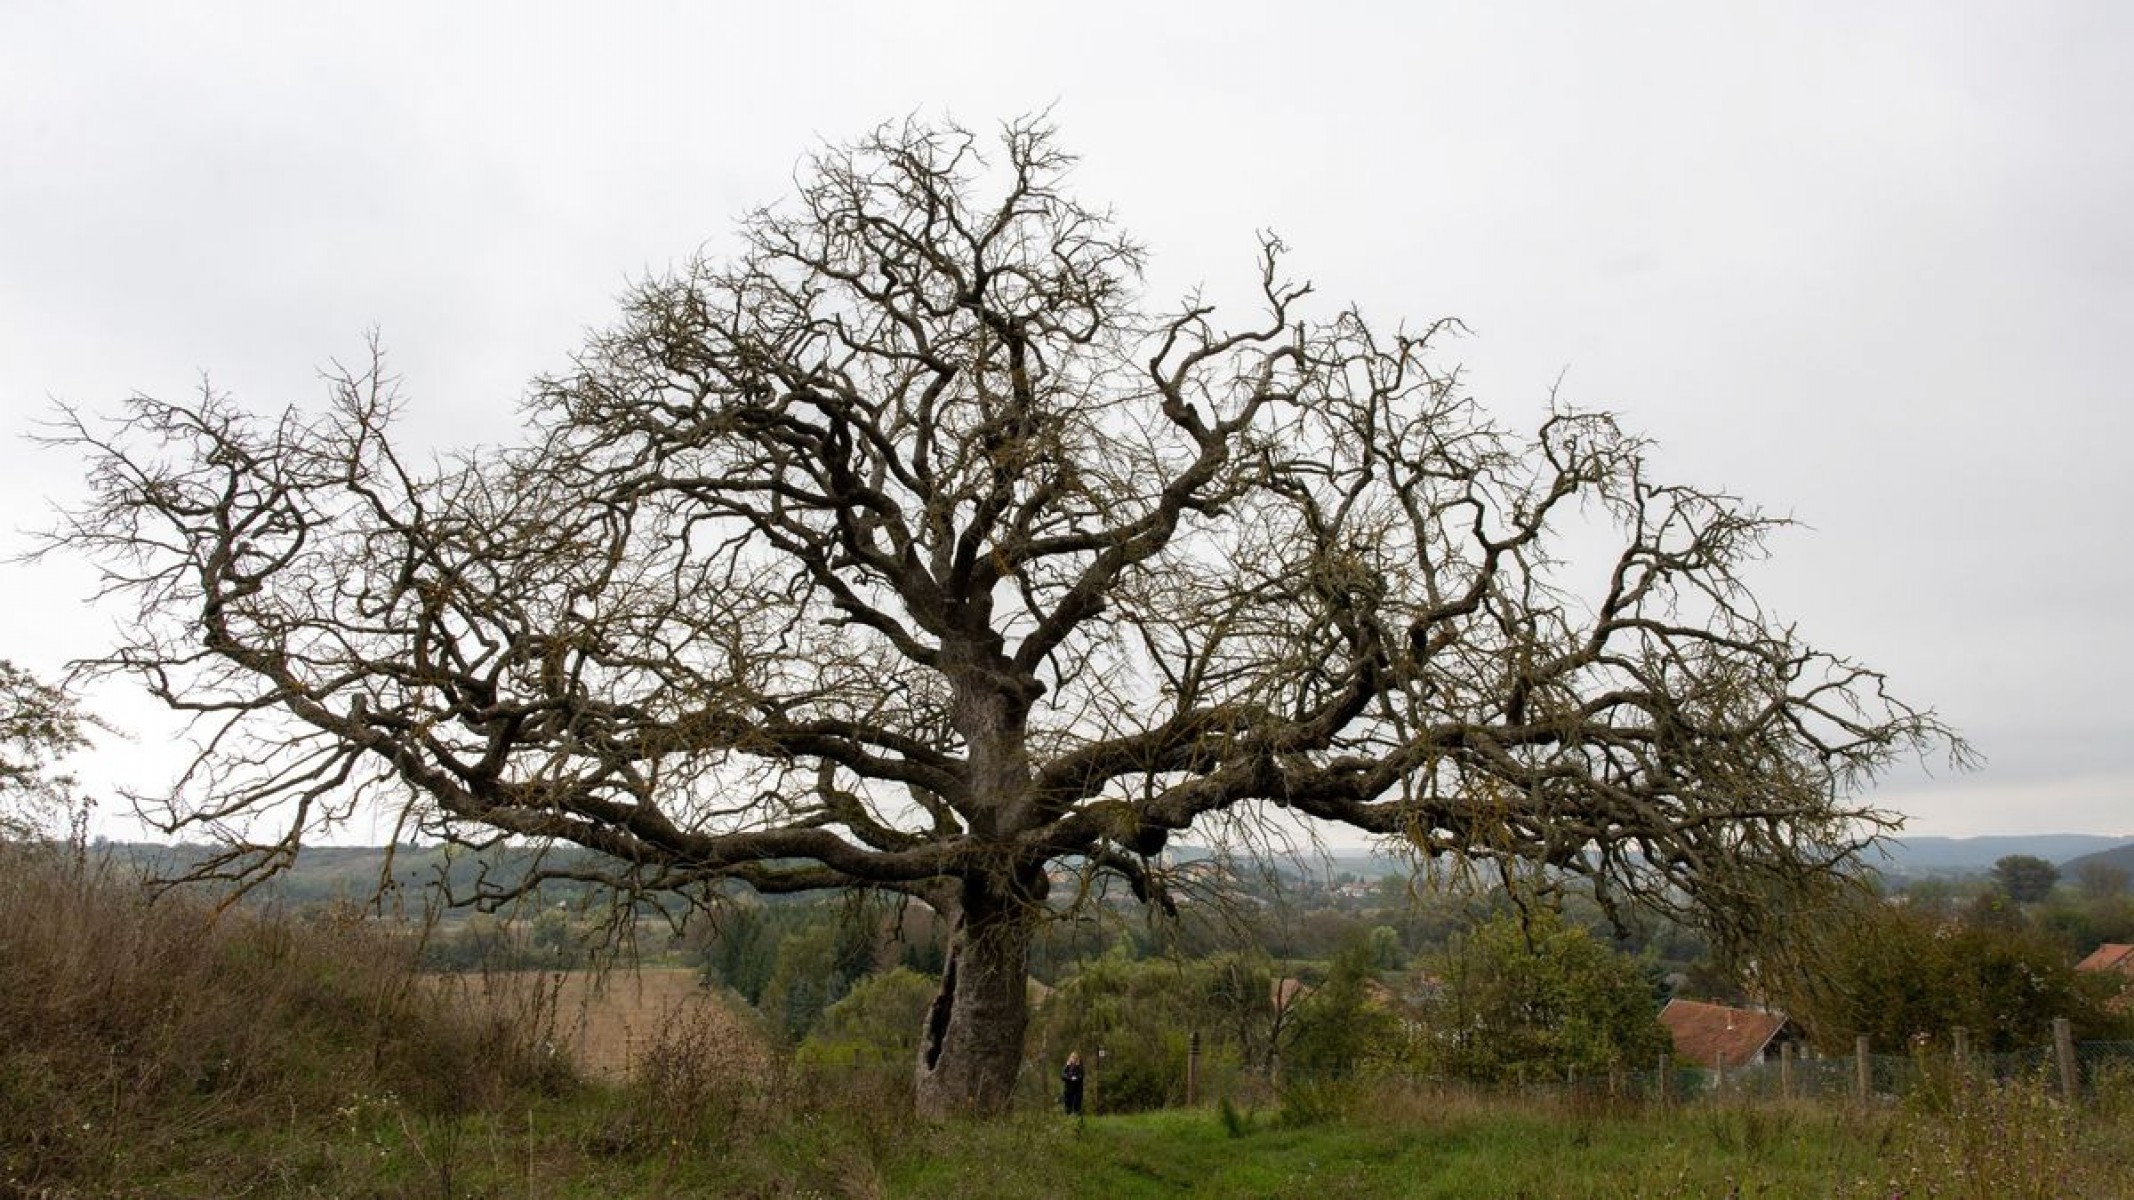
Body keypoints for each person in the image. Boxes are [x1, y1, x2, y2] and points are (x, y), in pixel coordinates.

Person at [1060, 1051, 1085, 1116]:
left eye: (1075, 1058)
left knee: (1077, 1107)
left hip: (1077, 1091)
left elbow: (1079, 1077)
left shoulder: (1080, 1067)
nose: (1073, 1059)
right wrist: (1070, 1078)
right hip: (1068, 1091)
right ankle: (1068, 1122)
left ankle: (1078, 1121)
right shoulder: (1067, 1066)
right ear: (1070, 1058)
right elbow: (1063, 1076)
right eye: (1072, 1057)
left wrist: (1077, 1067)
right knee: (1067, 1108)